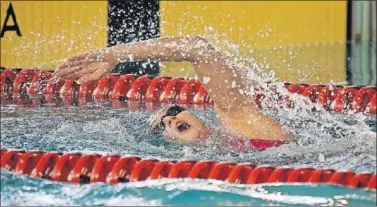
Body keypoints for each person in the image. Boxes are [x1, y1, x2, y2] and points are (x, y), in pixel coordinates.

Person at [53, 36, 291, 151]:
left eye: (174, 110)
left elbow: (198, 49)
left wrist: (116, 54)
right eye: (162, 127)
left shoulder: (239, 120)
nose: (169, 119)